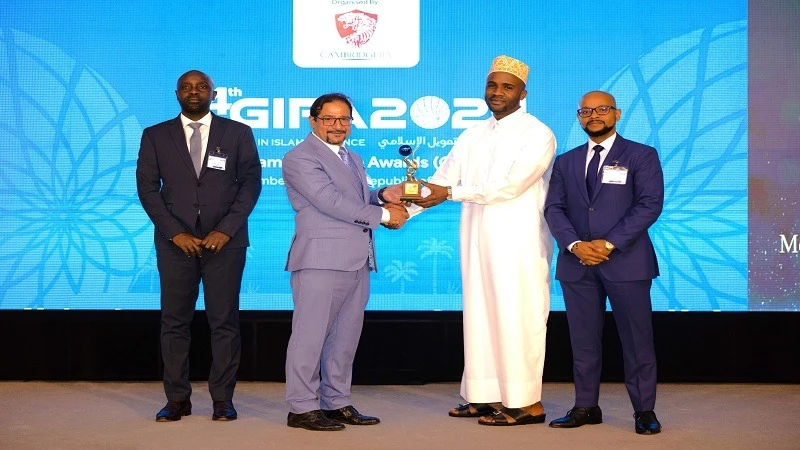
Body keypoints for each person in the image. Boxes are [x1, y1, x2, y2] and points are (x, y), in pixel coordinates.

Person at [384, 55, 556, 426]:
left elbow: (510, 185)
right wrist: (402, 213)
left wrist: (448, 193)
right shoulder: (473, 133)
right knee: (480, 316)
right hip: (476, 238)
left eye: (506, 87)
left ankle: (527, 403)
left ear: (522, 93)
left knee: (517, 317)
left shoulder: (538, 134)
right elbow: (442, 180)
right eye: (492, 85)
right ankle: (483, 395)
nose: (497, 92)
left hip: (518, 242)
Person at [136, 70, 262, 422]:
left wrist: (226, 229)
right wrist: (175, 233)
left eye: (201, 87)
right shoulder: (155, 135)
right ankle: (177, 399)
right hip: (176, 244)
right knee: (174, 322)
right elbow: (147, 189)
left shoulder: (238, 133)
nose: (195, 92)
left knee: (225, 322)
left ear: (214, 93)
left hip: (226, 243)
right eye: (187, 87)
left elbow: (251, 183)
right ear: (176, 93)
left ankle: (223, 399)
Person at [282, 93, 409, 431]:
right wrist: (383, 214)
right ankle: (302, 407)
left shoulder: (351, 156)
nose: (337, 126)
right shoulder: (299, 157)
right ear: (313, 121)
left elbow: (355, 201)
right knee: (310, 336)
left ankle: (335, 401)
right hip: (320, 259)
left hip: (357, 259)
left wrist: (383, 195)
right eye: (329, 119)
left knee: (344, 337)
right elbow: (329, 201)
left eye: (344, 119)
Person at [543, 90, 664, 435]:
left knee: (637, 340)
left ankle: (644, 411)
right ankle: (585, 406)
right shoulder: (565, 161)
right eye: (586, 111)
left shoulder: (641, 155)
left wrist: (608, 244)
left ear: (617, 113)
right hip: (576, 263)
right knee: (583, 340)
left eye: (602, 109)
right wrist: (576, 244)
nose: (594, 115)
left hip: (627, 262)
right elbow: (554, 208)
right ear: (579, 117)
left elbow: (649, 205)